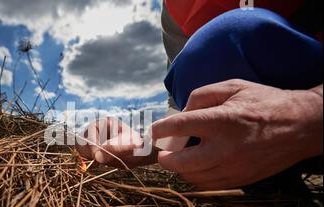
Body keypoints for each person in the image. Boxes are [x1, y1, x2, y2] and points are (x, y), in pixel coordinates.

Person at [76, 0, 323, 190]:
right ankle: (275, 200)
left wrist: (306, 114)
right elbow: (186, 101)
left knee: (233, 33)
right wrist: (143, 144)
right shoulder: (176, 10)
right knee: (205, 57)